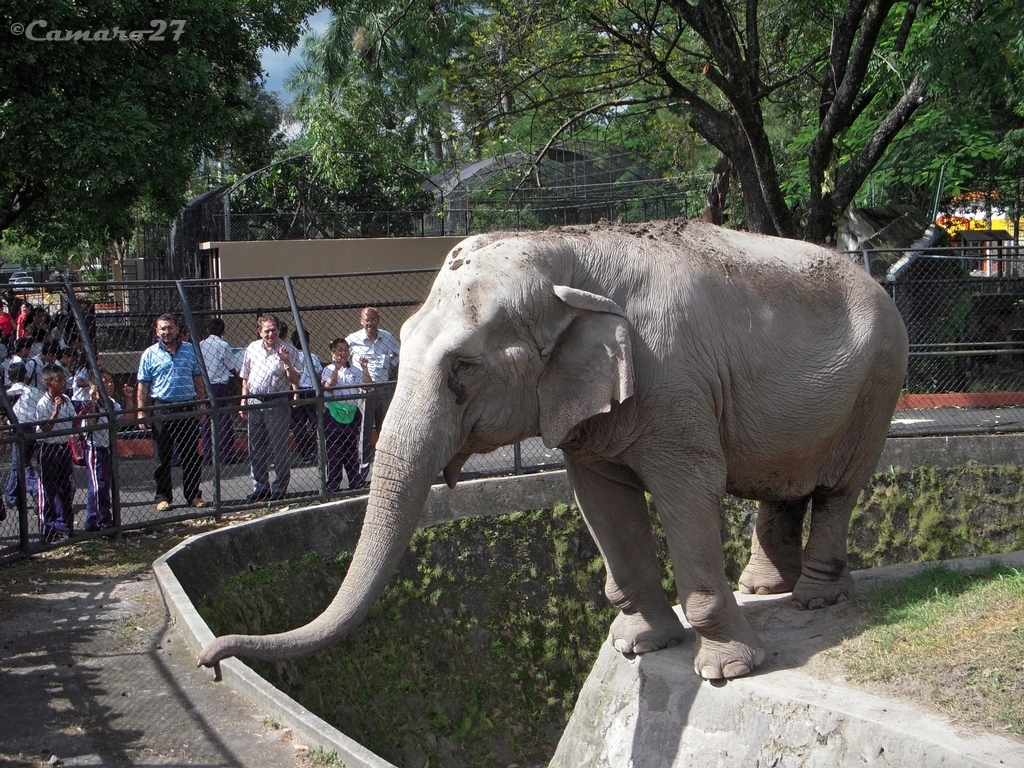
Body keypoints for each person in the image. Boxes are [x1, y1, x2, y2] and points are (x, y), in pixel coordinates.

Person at [136, 314, 207, 512]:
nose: (167, 332)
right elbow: (143, 384)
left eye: (170, 328)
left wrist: (201, 404)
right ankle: (163, 497)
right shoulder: (149, 354)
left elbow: (197, 378)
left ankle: (193, 494)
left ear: (177, 329)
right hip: (161, 408)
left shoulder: (190, 350)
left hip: (187, 407)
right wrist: (141, 412)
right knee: (162, 456)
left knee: (191, 454)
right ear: (156, 331)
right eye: (163, 329)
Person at [238, 314, 301, 501]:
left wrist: (286, 362)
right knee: (255, 446)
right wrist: (243, 401)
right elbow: (245, 377)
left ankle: (280, 487)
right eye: (266, 330)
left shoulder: (288, 349)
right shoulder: (252, 348)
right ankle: (260, 487)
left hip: (277, 401)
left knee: (278, 446)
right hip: (255, 402)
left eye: (274, 330)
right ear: (259, 331)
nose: (271, 334)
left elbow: (295, 380)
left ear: (279, 330)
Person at [346, 306, 400, 470]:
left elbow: (399, 356)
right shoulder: (352, 339)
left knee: (385, 427)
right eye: (367, 319)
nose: (370, 322)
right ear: (361, 321)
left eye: (373, 319)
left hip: (384, 389)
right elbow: (340, 357)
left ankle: (387, 463)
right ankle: (363, 466)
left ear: (379, 319)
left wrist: (394, 367)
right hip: (364, 391)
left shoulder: (388, 337)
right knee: (364, 428)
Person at [34, 364, 77, 542]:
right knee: (48, 490)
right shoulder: (43, 403)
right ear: (48, 383)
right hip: (49, 447)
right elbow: (46, 429)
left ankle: (65, 524)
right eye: (58, 381)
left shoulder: (66, 399)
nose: (63, 384)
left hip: (63, 446)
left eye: (64, 380)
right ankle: (47, 529)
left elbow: (74, 420)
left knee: (67, 487)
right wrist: (55, 412)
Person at [321, 338, 371, 491]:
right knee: (334, 452)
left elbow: (368, 386)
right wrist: (337, 368)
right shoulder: (328, 369)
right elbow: (328, 387)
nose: (343, 353)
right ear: (332, 352)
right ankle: (333, 484)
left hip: (351, 414)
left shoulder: (354, 369)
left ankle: (355, 481)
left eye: (345, 350)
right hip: (333, 415)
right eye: (339, 350)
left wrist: (364, 368)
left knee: (351, 450)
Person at [79, 369, 120, 531]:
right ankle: (94, 519)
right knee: (97, 486)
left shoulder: (111, 403)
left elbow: (126, 418)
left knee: (106, 484)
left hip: (107, 448)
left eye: (111, 381)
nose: (109, 385)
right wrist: (92, 402)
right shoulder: (91, 403)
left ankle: (105, 517)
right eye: (105, 381)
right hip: (95, 448)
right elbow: (91, 425)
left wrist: (129, 399)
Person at [198, 318, 241, 464]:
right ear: (223, 331)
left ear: (208, 330)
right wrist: (240, 377)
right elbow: (232, 365)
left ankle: (209, 452)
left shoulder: (201, 345)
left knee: (206, 418)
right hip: (219, 385)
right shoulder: (223, 345)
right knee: (223, 418)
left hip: (204, 384)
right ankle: (226, 453)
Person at [3, 362, 42, 518]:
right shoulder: (35, 391)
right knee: (17, 463)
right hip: (34, 429)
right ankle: (11, 496)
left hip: (19, 430)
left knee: (21, 464)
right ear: (26, 376)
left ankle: (37, 489)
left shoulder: (8, 394)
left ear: (9, 377)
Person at [289, 329, 323, 463]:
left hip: (294, 391)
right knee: (316, 420)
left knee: (298, 424)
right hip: (310, 390)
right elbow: (319, 374)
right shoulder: (312, 356)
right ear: (307, 341)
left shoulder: (289, 357)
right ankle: (322, 447)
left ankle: (307, 451)